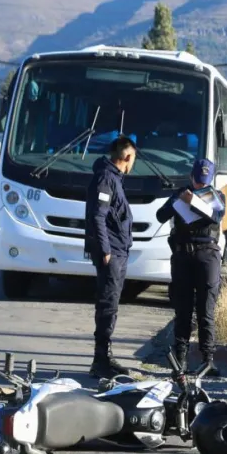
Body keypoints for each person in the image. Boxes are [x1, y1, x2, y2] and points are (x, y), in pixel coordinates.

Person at [155, 158, 226, 376]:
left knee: (206, 309)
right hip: (183, 255)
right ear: (191, 176)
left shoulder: (216, 196)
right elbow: (160, 215)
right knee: (183, 309)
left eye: (204, 182)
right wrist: (178, 199)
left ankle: (208, 359)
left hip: (207, 256)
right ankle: (181, 360)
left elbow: (216, 215)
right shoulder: (180, 193)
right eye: (197, 181)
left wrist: (194, 201)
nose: (199, 185)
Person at [84, 136, 138, 378]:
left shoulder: (113, 177)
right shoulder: (107, 178)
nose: (132, 164)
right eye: (133, 159)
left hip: (118, 249)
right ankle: (101, 360)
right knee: (107, 305)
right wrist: (105, 249)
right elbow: (98, 216)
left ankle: (105, 356)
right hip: (112, 251)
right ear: (127, 157)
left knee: (111, 305)